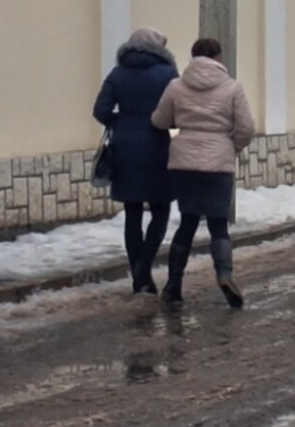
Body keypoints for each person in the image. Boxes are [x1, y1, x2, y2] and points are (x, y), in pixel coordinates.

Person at [152, 35, 255, 308]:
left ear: (192, 56)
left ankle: (173, 285)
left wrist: (180, 130)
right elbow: (246, 127)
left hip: (183, 162)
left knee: (187, 222)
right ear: (218, 58)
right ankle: (224, 274)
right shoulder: (232, 88)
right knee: (218, 224)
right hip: (217, 163)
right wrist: (231, 146)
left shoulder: (176, 86)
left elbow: (159, 120)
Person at [92, 27, 177, 293]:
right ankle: (144, 268)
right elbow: (178, 110)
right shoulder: (168, 74)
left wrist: (122, 121)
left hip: (125, 146)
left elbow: (100, 111)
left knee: (133, 211)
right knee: (161, 209)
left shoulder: (118, 74)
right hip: (157, 145)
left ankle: (139, 275)